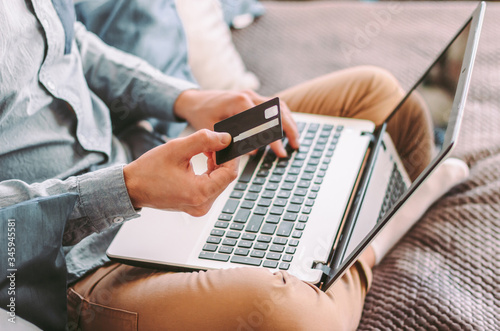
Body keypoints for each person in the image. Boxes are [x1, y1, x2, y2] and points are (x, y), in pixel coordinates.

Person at [0, 1, 469, 330]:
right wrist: (128, 188)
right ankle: (382, 230)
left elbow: (72, 48)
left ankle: (338, 233)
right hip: (81, 268)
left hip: (151, 157)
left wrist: (185, 99)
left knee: (379, 97)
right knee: (292, 315)